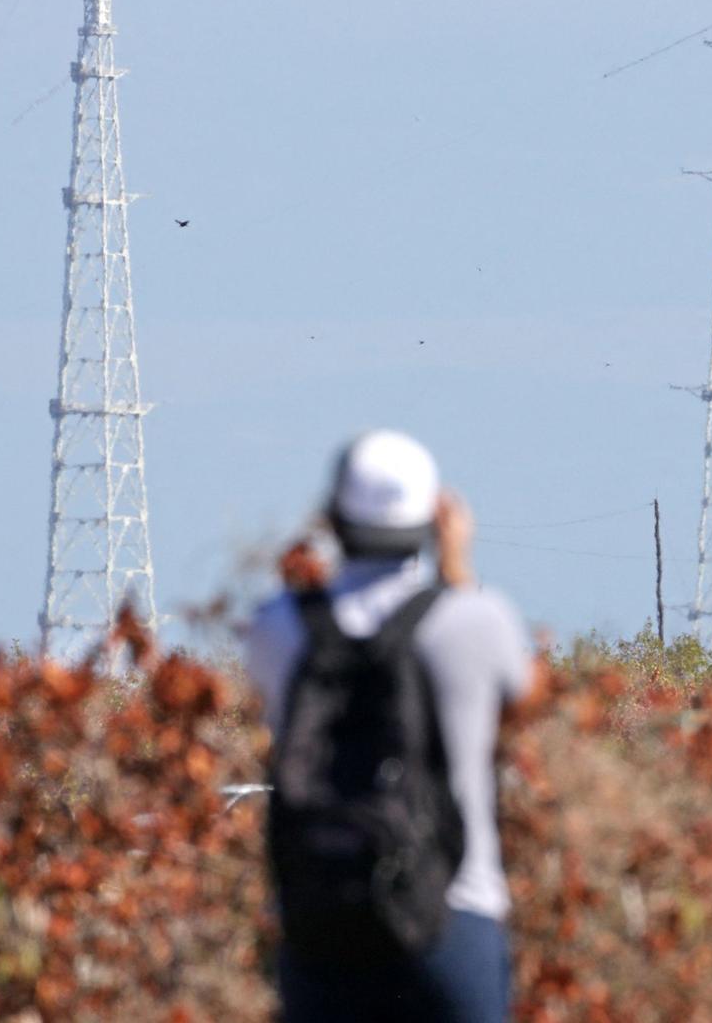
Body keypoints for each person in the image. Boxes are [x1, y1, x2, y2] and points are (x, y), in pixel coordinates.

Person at [244, 430, 534, 1022]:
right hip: (451, 913)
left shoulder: (277, 627)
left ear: (331, 518)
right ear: (436, 517)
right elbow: (525, 698)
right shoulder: (477, 620)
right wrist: (456, 568)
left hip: (321, 920)